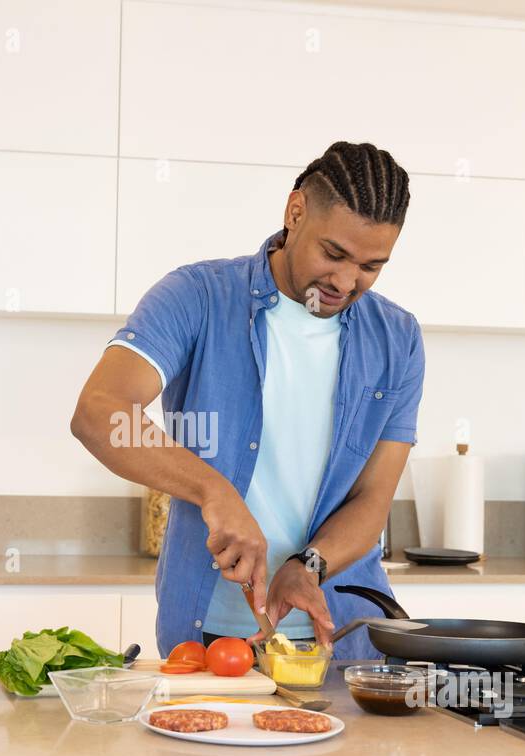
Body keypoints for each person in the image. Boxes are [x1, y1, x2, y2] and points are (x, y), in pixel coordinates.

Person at [72, 141, 423, 659]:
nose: (346, 282)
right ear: (295, 211)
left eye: (371, 266)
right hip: (214, 641)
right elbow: (100, 413)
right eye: (334, 254)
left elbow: (372, 500)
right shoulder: (198, 297)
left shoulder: (397, 339)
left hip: (346, 641)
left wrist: (310, 566)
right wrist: (215, 492)